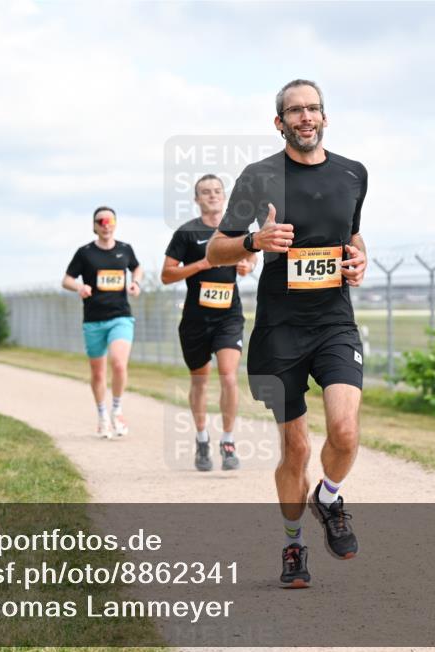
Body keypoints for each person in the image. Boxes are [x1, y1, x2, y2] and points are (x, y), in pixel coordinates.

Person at [206, 79, 368, 587]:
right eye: (295, 110)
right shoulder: (258, 177)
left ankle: (330, 497)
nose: (305, 117)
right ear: (280, 122)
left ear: (324, 117)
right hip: (281, 329)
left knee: (344, 431)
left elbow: (353, 232)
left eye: (313, 108)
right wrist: (255, 239)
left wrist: (361, 258)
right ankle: (294, 544)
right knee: (295, 450)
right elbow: (216, 250)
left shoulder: (352, 173)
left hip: (335, 321)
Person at [162, 174, 255, 472]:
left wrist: (247, 265)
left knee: (229, 376)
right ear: (197, 199)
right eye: (205, 192)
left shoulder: (236, 229)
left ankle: (228, 441)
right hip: (195, 320)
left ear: (224, 196)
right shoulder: (186, 233)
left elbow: (253, 256)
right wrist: (201, 264)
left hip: (229, 315)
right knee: (200, 381)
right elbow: (166, 275)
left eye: (216, 191)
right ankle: (202, 438)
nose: (212, 196)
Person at [62, 206, 143, 439]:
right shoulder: (85, 253)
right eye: (101, 221)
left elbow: (137, 267)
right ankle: (102, 415)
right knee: (98, 373)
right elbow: (66, 279)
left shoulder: (125, 249)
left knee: (118, 363)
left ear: (115, 224)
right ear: (94, 225)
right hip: (94, 320)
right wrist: (79, 286)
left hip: (121, 316)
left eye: (110, 220)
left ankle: (117, 410)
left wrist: (136, 283)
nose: (106, 224)